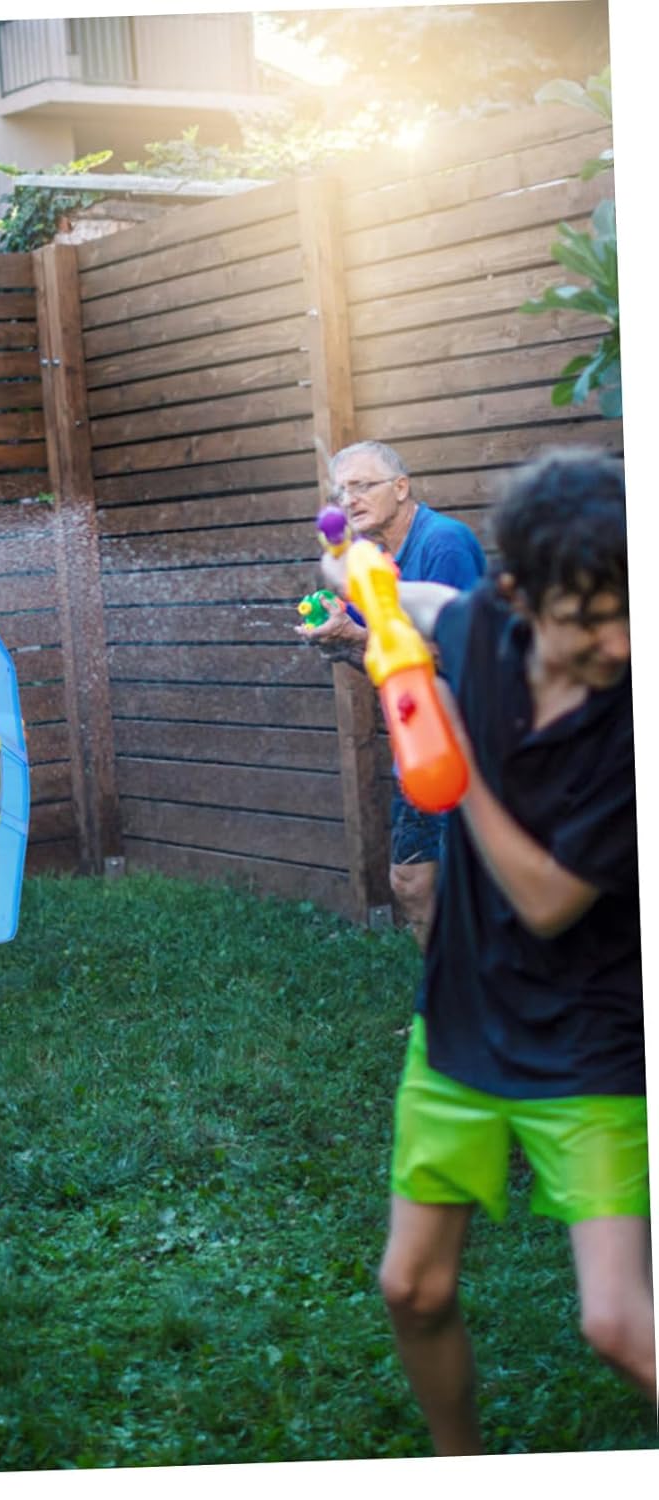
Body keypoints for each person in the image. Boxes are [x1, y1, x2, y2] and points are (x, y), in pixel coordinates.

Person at [319, 448, 650, 1453]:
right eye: (589, 617)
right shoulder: (480, 629)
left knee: (619, 1326)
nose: (617, 640)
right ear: (521, 599)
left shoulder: (630, 729)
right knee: (411, 1289)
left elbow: (547, 899)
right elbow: (413, 601)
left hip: (589, 1039)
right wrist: (357, 575)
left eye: (628, 612)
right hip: (461, 1016)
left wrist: (451, 754)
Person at [297, 441, 487, 949]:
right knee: (411, 883)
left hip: (473, 745)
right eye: (342, 492)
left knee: (481, 889)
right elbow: (382, 657)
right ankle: (443, 990)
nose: (350, 500)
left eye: (363, 485)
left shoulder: (444, 543)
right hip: (422, 743)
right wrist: (338, 639)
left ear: (401, 488)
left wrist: (355, 637)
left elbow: (462, 656)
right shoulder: (373, 560)